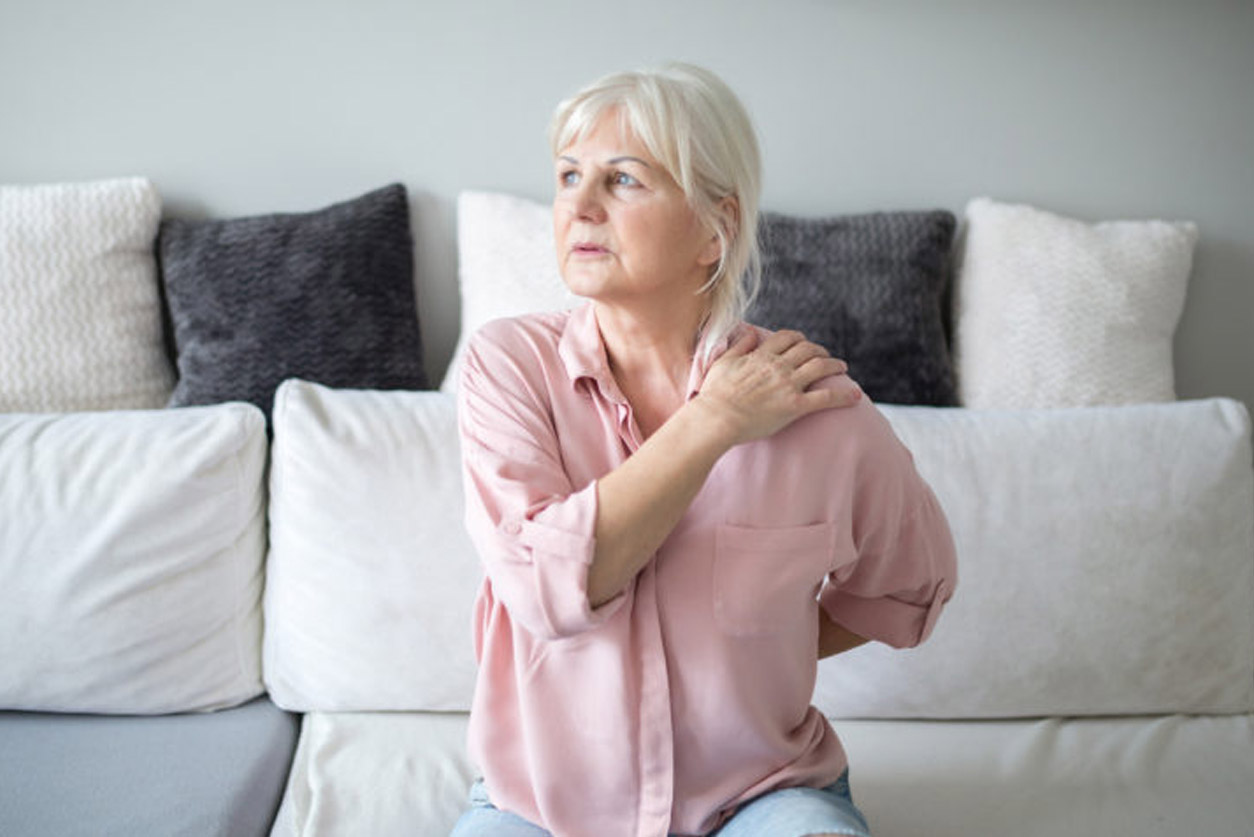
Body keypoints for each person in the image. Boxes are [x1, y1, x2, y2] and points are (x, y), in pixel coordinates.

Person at [450, 63, 956, 837]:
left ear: (714, 229)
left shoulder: (814, 407)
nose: (579, 206)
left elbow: (912, 585)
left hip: (761, 797)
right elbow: (545, 588)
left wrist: (755, 645)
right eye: (568, 175)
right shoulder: (506, 367)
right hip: (540, 810)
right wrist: (713, 422)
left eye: (623, 180)